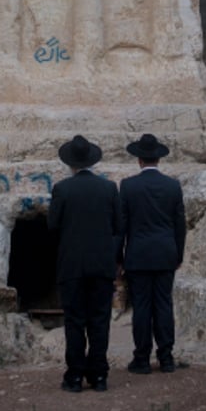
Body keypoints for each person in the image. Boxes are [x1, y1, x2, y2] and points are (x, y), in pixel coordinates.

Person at [47, 135, 122, 393]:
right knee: (100, 320)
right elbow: (118, 227)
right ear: (92, 160)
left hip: (72, 266)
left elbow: (52, 225)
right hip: (102, 264)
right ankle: (99, 376)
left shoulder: (62, 189)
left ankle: (75, 376)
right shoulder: (109, 188)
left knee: (75, 321)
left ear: (70, 163)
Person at [120, 133, 186, 374]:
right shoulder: (173, 186)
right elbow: (180, 225)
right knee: (164, 305)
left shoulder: (128, 186)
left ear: (139, 159)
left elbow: (122, 226)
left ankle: (142, 359)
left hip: (138, 255)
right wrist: (178, 255)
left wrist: (119, 258)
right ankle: (166, 358)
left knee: (142, 307)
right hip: (166, 254)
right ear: (159, 159)